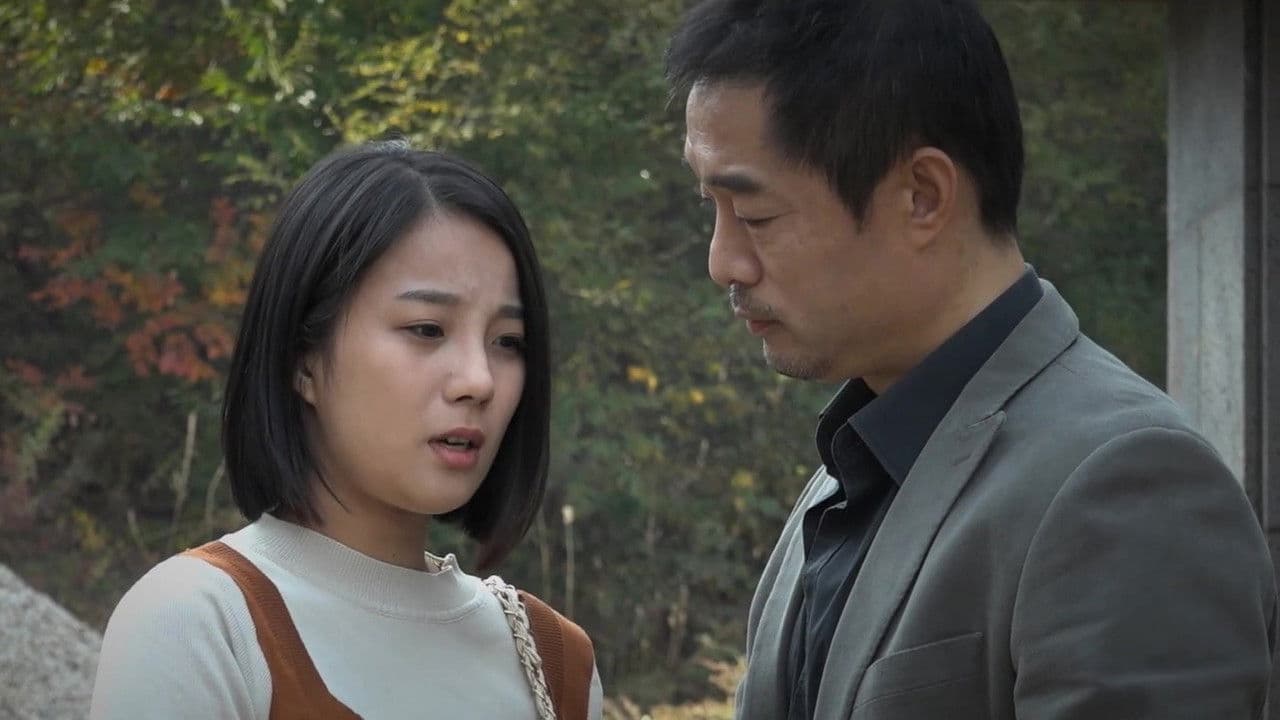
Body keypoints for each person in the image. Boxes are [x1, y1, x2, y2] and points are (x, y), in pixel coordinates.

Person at [666, 1, 1276, 718]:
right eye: (711, 208)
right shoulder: (847, 476)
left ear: (923, 196)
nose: (723, 263)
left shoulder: (1128, 485)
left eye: (756, 216)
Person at [90, 141, 602, 719]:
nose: (479, 380)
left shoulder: (555, 661)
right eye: (427, 329)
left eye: (508, 342)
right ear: (302, 359)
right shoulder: (200, 625)